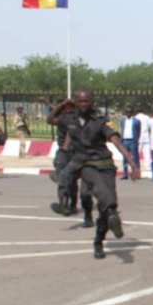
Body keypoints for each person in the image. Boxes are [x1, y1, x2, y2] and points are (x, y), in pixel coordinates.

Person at [48, 89, 141, 258]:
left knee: (104, 209)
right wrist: (62, 104)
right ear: (75, 103)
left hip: (105, 165)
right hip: (85, 165)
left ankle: (100, 238)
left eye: (86, 101)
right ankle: (65, 200)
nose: (83, 104)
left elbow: (117, 142)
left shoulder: (100, 122)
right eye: (80, 101)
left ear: (92, 103)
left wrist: (134, 165)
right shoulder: (68, 119)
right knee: (84, 182)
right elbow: (50, 120)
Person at [43, 96, 95, 227]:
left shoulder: (82, 119)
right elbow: (49, 119)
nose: (67, 110)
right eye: (65, 108)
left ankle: (84, 213)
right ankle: (63, 203)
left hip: (81, 153)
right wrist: (61, 104)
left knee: (84, 189)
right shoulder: (63, 119)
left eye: (70, 107)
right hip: (64, 152)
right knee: (64, 176)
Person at [120, 107, 141, 180]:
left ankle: (137, 173)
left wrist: (136, 140)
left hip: (133, 141)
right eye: (127, 112)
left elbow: (138, 131)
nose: (128, 113)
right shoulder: (123, 120)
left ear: (132, 113)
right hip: (125, 140)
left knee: (135, 158)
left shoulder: (136, 121)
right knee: (125, 157)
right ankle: (125, 174)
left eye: (130, 112)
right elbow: (122, 129)